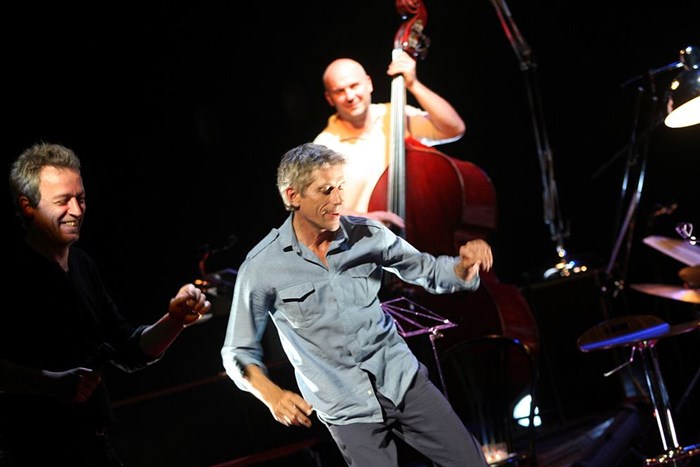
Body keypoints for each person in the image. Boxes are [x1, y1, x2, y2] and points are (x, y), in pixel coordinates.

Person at [221, 143, 491, 466]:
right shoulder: (262, 266)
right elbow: (237, 351)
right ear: (293, 196)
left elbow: (428, 270)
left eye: (341, 187)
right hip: (346, 410)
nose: (338, 199)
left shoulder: (368, 235)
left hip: (402, 381)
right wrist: (272, 396)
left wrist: (464, 267)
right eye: (326, 190)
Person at [0, 142, 212, 467]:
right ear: (27, 206)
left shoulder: (83, 265)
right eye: (63, 201)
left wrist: (175, 320)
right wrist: (49, 383)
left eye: (81, 198)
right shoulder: (10, 273)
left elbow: (128, 351)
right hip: (35, 453)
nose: (77, 210)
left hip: (94, 446)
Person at [313, 51, 466, 229]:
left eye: (354, 86)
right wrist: (364, 219)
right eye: (340, 91)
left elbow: (453, 129)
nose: (350, 96)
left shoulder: (395, 115)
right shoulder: (323, 146)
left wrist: (413, 84)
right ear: (330, 98)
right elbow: (317, 207)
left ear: (369, 84)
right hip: (361, 241)